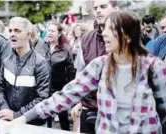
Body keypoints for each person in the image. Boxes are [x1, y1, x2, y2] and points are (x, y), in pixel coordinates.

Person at [13, 11, 166, 134]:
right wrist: (26, 117)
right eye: (104, 28)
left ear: (127, 35)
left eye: (110, 29)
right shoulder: (99, 66)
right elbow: (66, 95)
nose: (104, 33)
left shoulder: (153, 67)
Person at [71, 0, 119, 133]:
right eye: (95, 8)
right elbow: (80, 73)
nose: (98, 10)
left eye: (103, 6)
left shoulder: (128, 38)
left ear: (116, 8)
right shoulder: (86, 40)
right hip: (89, 108)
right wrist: (78, 101)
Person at [0, 17, 50, 126]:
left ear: (28, 35)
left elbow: (42, 98)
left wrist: (17, 115)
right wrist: (5, 110)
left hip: (32, 125)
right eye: (10, 30)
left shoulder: (40, 63)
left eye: (17, 31)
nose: (12, 34)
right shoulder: (7, 61)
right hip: (8, 122)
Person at [45, 22, 75, 131]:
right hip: (44, 87)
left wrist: (69, 87)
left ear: (59, 34)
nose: (49, 33)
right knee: (45, 114)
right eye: (48, 30)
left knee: (62, 115)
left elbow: (71, 69)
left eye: (52, 31)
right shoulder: (42, 46)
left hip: (59, 87)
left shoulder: (65, 49)